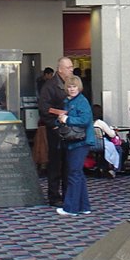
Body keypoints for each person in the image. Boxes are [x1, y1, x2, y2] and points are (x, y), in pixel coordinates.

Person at [55, 75, 96, 216]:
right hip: (75, 141)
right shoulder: (69, 101)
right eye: (70, 86)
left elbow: (85, 120)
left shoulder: (81, 101)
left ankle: (71, 208)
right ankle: (84, 206)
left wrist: (67, 119)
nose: (72, 89)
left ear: (79, 87)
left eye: (74, 86)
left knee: (73, 173)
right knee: (78, 174)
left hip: (80, 141)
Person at [38, 56, 72, 207]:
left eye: (71, 67)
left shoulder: (72, 84)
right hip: (56, 131)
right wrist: (55, 125)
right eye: (68, 68)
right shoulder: (50, 86)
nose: (71, 70)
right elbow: (44, 110)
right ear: (60, 69)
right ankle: (54, 196)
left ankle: (67, 194)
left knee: (68, 164)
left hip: (70, 130)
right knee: (55, 164)